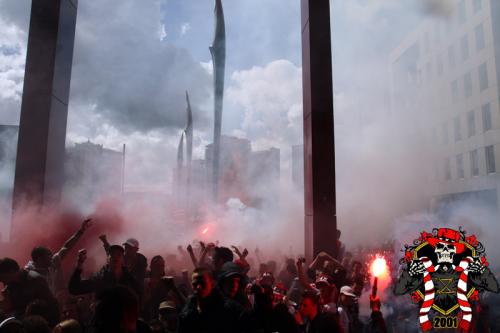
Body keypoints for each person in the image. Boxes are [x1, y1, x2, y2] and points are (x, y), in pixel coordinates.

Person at [25, 219, 92, 293]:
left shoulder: (51, 265)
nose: (51, 257)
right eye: (49, 255)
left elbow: (66, 247)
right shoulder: (27, 273)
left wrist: (81, 231)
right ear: (39, 258)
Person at [0, 258, 59, 327]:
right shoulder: (10, 284)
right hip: (24, 322)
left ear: (11, 271)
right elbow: (13, 307)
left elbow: (51, 304)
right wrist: (6, 298)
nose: (1, 281)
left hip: (40, 323)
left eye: (1, 277)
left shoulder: (35, 280)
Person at [68, 245, 140, 299]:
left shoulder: (129, 280)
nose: (115, 256)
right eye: (112, 254)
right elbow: (74, 289)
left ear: (122, 259)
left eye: (119, 254)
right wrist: (80, 263)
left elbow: (139, 296)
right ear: (107, 259)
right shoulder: (100, 279)